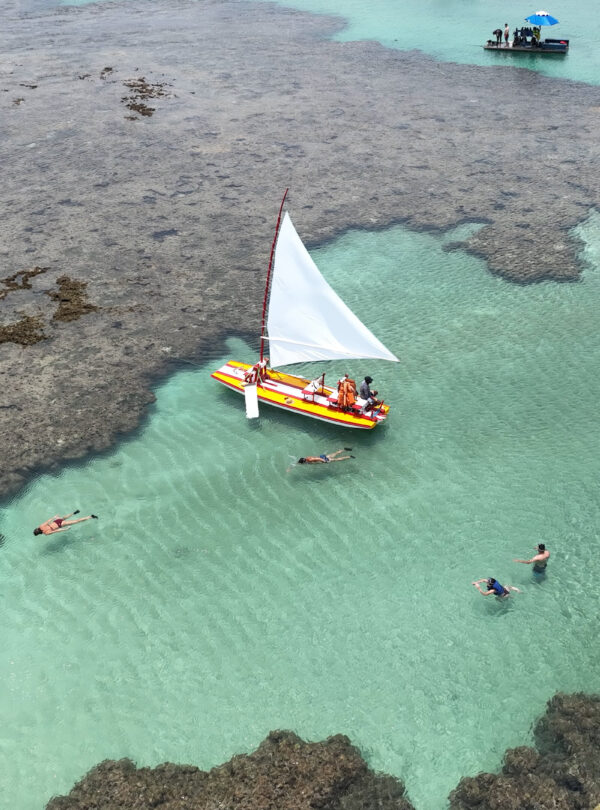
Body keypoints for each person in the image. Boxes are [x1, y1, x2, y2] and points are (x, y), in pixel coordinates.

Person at [33, 511, 98, 536]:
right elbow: (48, 521)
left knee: (76, 521)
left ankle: (90, 517)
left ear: (39, 534)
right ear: (37, 529)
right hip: (56, 521)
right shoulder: (41, 526)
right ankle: (73, 513)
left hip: (60, 525)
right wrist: (54, 517)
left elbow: (57, 531)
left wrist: (65, 529)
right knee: (63, 518)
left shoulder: (46, 533)